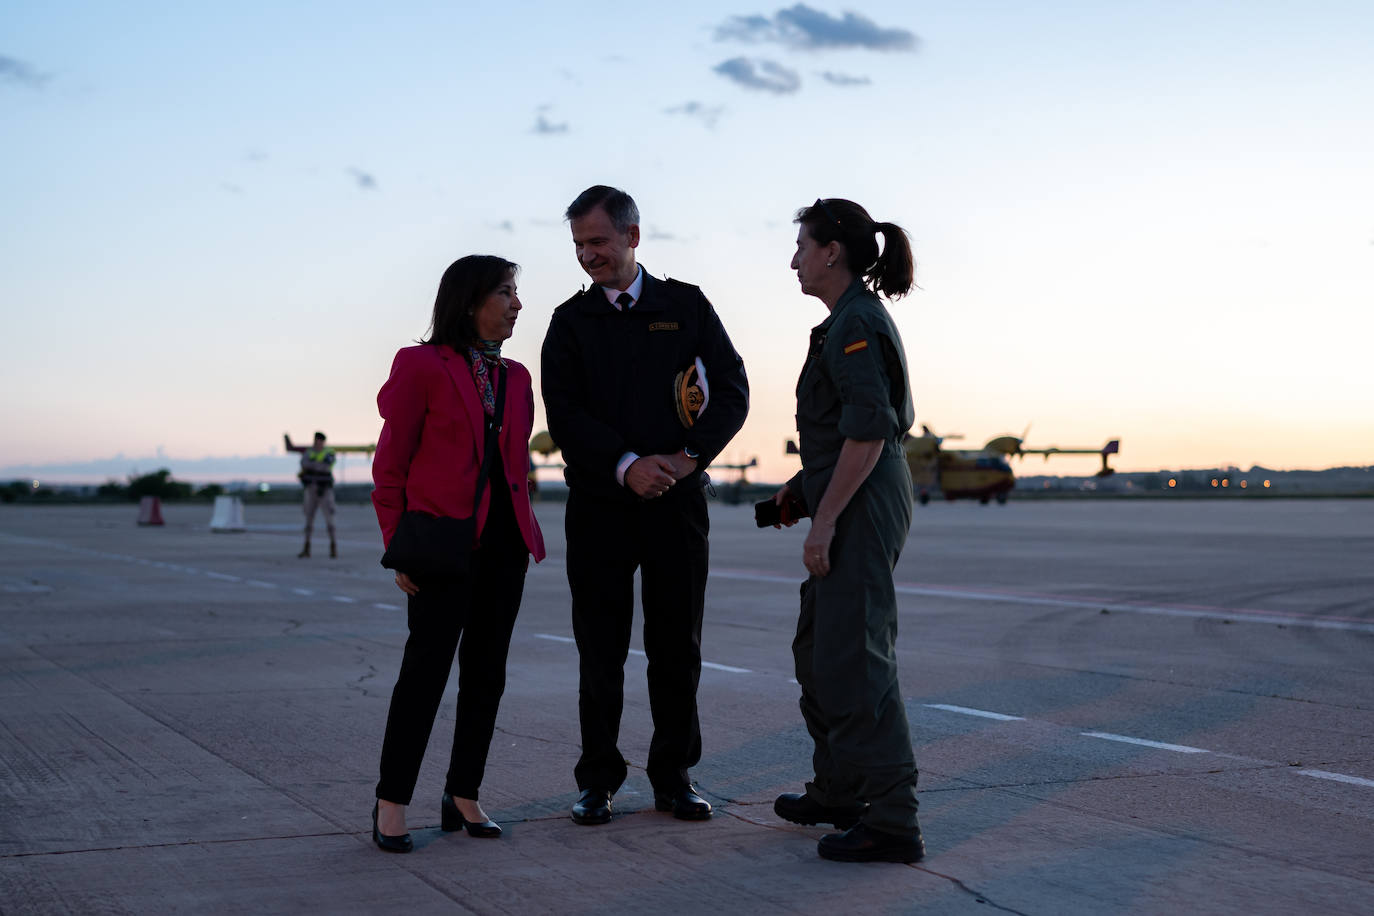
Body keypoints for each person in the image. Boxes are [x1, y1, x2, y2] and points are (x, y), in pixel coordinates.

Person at [541, 185, 749, 826]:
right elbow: (564, 414)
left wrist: (686, 460)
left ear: (633, 235)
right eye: (578, 245)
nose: (587, 256)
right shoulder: (569, 322)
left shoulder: (685, 306)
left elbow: (733, 390)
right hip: (602, 505)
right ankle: (598, 778)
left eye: (598, 242)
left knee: (676, 644)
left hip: (677, 504)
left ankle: (674, 775)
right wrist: (627, 466)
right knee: (599, 646)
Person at [369, 255, 546, 853]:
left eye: (517, 292)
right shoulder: (420, 365)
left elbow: (513, 463)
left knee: (486, 675)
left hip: (505, 544)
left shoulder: (518, 377)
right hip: (442, 544)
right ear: (470, 300)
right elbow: (391, 464)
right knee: (424, 675)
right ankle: (391, 802)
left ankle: (463, 792)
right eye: (506, 292)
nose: (517, 303)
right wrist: (398, 547)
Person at [770, 198, 924, 863]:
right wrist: (800, 494)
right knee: (818, 650)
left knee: (857, 661)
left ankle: (893, 821)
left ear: (832, 251)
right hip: (850, 492)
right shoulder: (841, 322)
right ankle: (840, 789)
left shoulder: (855, 322)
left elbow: (870, 429)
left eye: (802, 244)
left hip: (860, 506)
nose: (795, 257)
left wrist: (822, 523)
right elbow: (844, 437)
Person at [298, 432, 336, 558]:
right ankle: (306, 547)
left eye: (319, 441)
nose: (317, 443)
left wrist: (312, 466)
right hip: (311, 489)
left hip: (324, 489)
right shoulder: (309, 452)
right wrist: (317, 466)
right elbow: (304, 464)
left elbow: (325, 467)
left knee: (329, 519)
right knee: (308, 519)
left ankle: (333, 546)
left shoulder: (328, 452)